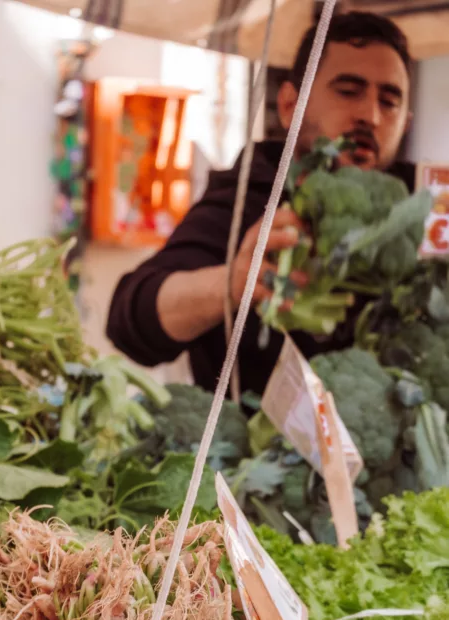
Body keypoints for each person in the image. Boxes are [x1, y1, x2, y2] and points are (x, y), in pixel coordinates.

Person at [106, 11, 416, 396]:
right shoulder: (248, 198)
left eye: (389, 102)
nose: (370, 116)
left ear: (406, 120)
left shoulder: (421, 212)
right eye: (348, 91)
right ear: (289, 105)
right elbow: (128, 319)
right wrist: (231, 283)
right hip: (249, 447)